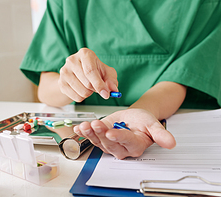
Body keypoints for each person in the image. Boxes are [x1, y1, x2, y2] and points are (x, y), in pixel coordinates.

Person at [20, 0, 221, 159]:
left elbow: (184, 75)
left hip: (177, 123)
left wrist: (141, 111)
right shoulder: (67, 3)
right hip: (87, 139)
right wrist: (68, 85)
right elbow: (45, 87)